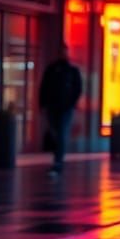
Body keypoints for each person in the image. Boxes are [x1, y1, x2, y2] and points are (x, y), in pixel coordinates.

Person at [39, 43, 82, 176]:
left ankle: (58, 162)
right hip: (52, 107)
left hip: (65, 108)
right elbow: (44, 87)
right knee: (55, 132)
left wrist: (71, 103)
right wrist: (43, 104)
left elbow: (78, 88)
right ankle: (57, 157)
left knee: (61, 133)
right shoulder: (51, 69)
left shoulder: (72, 71)